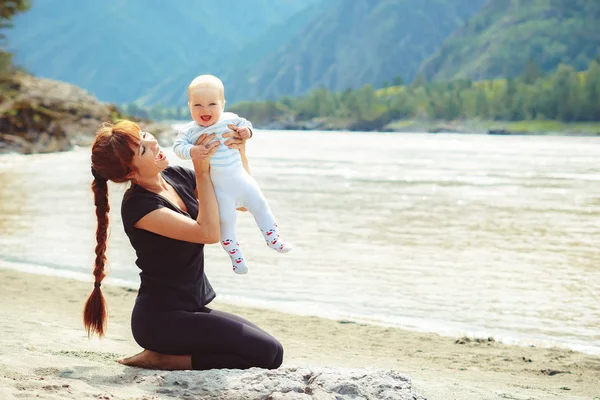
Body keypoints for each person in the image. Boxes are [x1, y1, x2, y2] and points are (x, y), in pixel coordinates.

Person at [84, 119, 284, 371]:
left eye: (145, 135)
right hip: (161, 321)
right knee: (266, 354)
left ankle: (166, 356)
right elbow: (209, 233)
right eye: (143, 149)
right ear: (130, 173)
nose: (153, 142)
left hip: (193, 308)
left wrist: (239, 150)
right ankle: (161, 358)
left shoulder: (175, 176)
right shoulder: (140, 207)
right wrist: (202, 171)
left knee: (273, 352)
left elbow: (241, 201)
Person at [173, 74, 291, 275]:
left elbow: (247, 125)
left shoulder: (231, 119)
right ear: (189, 106)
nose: (205, 110)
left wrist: (247, 133)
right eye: (197, 105)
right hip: (219, 189)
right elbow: (178, 147)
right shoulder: (190, 131)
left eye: (212, 104)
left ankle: (274, 239)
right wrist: (192, 151)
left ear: (223, 104)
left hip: (242, 180)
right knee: (226, 221)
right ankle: (236, 257)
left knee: (261, 205)